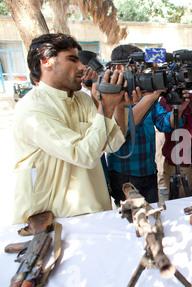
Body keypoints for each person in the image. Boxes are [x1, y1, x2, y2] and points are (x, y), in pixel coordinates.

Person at [12, 33, 127, 224]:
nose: (82, 67)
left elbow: (113, 143)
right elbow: (83, 155)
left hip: (96, 212)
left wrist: (118, 106)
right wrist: (105, 107)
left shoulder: (82, 98)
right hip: (53, 222)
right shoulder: (32, 108)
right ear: (46, 61)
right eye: (72, 60)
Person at [106, 44, 189, 207]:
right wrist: (153, 96)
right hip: (124, 175)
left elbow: (165, 124)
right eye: (136, 67)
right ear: (119, 68)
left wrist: (179, 108)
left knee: (152, 215)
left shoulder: (147, 94)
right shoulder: (110, 98)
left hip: (149, 171)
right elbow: (122, 132)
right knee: (131, 221)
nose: (141, 72)